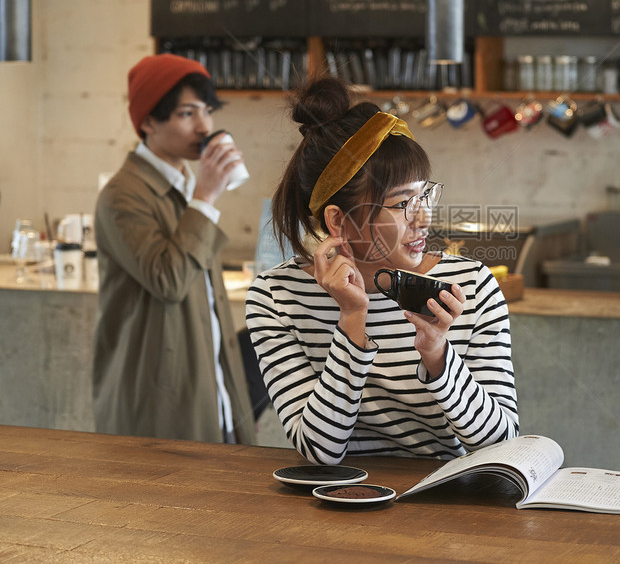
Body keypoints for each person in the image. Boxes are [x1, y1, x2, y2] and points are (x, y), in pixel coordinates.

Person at [245, 77, 518, 464]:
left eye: (425, 195)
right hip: (337, 505)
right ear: (339, 220)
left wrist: (438, 354)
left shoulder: (470, 287)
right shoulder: (276, 298)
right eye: (403, 202)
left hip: (450, 509)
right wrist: (353, 319)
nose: (423, 219)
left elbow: (502, 447)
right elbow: (320, 451)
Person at [93, 53, 256, 444]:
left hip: (211, 387)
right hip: (159, 402)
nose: (204, 126)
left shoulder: (184, 184)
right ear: (148, 121)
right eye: (186, 113)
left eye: (206, 111)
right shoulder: (122, 195)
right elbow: (168, 281)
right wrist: (205, 197)